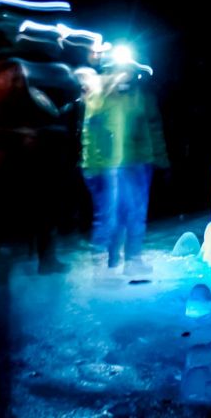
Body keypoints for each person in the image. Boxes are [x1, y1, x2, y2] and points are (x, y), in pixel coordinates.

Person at [80, 50, 168, 274]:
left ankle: (132, 259)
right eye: (121, 68)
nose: (126, 73)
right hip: (110, 167)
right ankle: (105, 262)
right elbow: (91, 133)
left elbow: (153, 128)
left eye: (129, 68)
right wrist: (95, 166)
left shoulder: (142, 96)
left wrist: (160, 159)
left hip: (139, 163)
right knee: (111, 215)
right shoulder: (98, 94)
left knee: (136, 212)